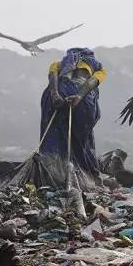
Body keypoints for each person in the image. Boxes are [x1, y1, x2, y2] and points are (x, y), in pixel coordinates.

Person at [40, 48, 106, 183]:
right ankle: (86, 175)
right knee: (81, 142)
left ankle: (53, 176)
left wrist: (55, 96)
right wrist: (79, 97)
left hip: (54, 96)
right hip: (83, 100)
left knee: (53, 137)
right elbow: (91, 83)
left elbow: (53, 77)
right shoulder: (100, 69)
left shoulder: (57, 64)